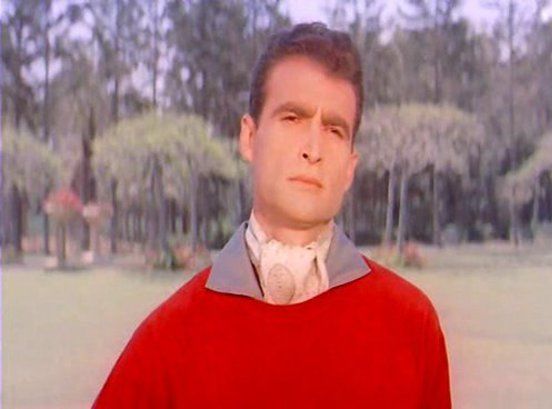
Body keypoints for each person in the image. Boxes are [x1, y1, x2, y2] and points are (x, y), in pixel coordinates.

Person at [93, 22, 451, 408]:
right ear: (249, 138)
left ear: (350, 167)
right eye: (293, 118)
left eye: (333, 130)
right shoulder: (167, 342)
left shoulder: (411, 327)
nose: (313, 149)